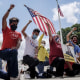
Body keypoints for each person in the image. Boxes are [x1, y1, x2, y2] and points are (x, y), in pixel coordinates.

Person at [0, 4, 22, 80]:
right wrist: (9, 9)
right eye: (13, 23)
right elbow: (3, 19)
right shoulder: (6, 29)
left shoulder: (18, 33)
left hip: (12, 54)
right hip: (3, 52)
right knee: (13, 52)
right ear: (10, 24)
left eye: (16, 24)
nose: (15, 24)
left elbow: (19, 42)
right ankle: (15, 75)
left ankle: (10, 77)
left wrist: (16, 47)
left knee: (8, 75)